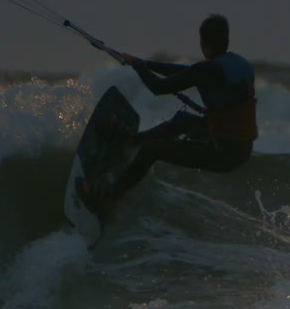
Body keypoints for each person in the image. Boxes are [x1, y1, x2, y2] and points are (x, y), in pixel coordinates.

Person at [83, 14, 258, 210]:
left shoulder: (208, 70)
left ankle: (110, 196)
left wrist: (140, 68)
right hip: (239, 146)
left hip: (224, 153)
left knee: (153, 149)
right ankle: (129, 142)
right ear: (225, 40)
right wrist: (144, 64)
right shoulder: (239, 64)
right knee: (181, 121)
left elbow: (159, 87)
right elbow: (185, 72)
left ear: (203, 41)